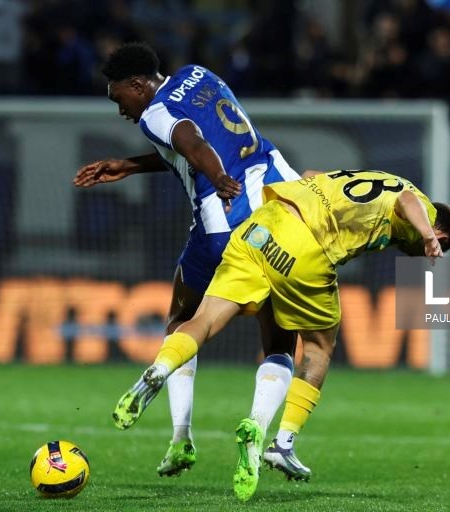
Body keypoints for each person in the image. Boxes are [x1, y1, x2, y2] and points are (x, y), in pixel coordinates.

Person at [113, 169, 450, 501]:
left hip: (265, 222)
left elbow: (312, 176)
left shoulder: (379, 180)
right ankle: (283, 443)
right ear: (442, 235)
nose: (416, 253)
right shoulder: (422, 207)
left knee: (203, 319)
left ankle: (160, 368)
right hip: (304, 247)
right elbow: (407, 201)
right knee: (319, 347)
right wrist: (428, 236)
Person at [73, 42, 311, 480]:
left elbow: (191, 141)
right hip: (279, 214)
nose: (120, 109)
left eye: (118, 97)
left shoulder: (153, 113)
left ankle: (180, 436)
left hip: (222, 222)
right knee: (279, 341)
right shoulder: (200, 75)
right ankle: (258, 433)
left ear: (137, 85)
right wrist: (129, 164)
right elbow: (194, 141)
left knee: (182, 323)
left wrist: (217, 175)